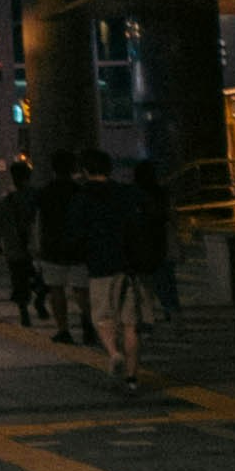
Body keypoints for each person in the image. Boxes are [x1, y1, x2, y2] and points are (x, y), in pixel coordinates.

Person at [82, 149, 158, 389]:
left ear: (85, 171)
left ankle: (114, 353)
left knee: (103, 319)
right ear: (109, 169)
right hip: (131, 266)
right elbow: (151, 218)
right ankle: (132, 378)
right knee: (131, 325)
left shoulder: (82, 198)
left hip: (102, 266)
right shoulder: (128, 193)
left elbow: (74, 234)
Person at [35, 153, 93, 345]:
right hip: (78, 247)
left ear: (53, 169)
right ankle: (88, 323)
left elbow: (39, 222)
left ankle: (63, 329)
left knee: (56, 290)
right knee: (82, 290)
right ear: (73, 169)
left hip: (52, 247)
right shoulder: (80, 191)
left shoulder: (45, 192)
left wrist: (37, 246)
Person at [129, 158, 183, 326]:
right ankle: (174, 315)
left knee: (145, 285)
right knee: (167, 281)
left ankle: (148, 318)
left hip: (141, 244)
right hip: (162, 242)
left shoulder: (134, 195)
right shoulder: (162, 193)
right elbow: (171, 216)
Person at [0, 157, 43, 325]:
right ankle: (39, 301)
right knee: (42, 278)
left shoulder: (7, 199)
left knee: (19, 281)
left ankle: (24, 312)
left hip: (14, 247)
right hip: (36, 246)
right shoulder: (36, 196)